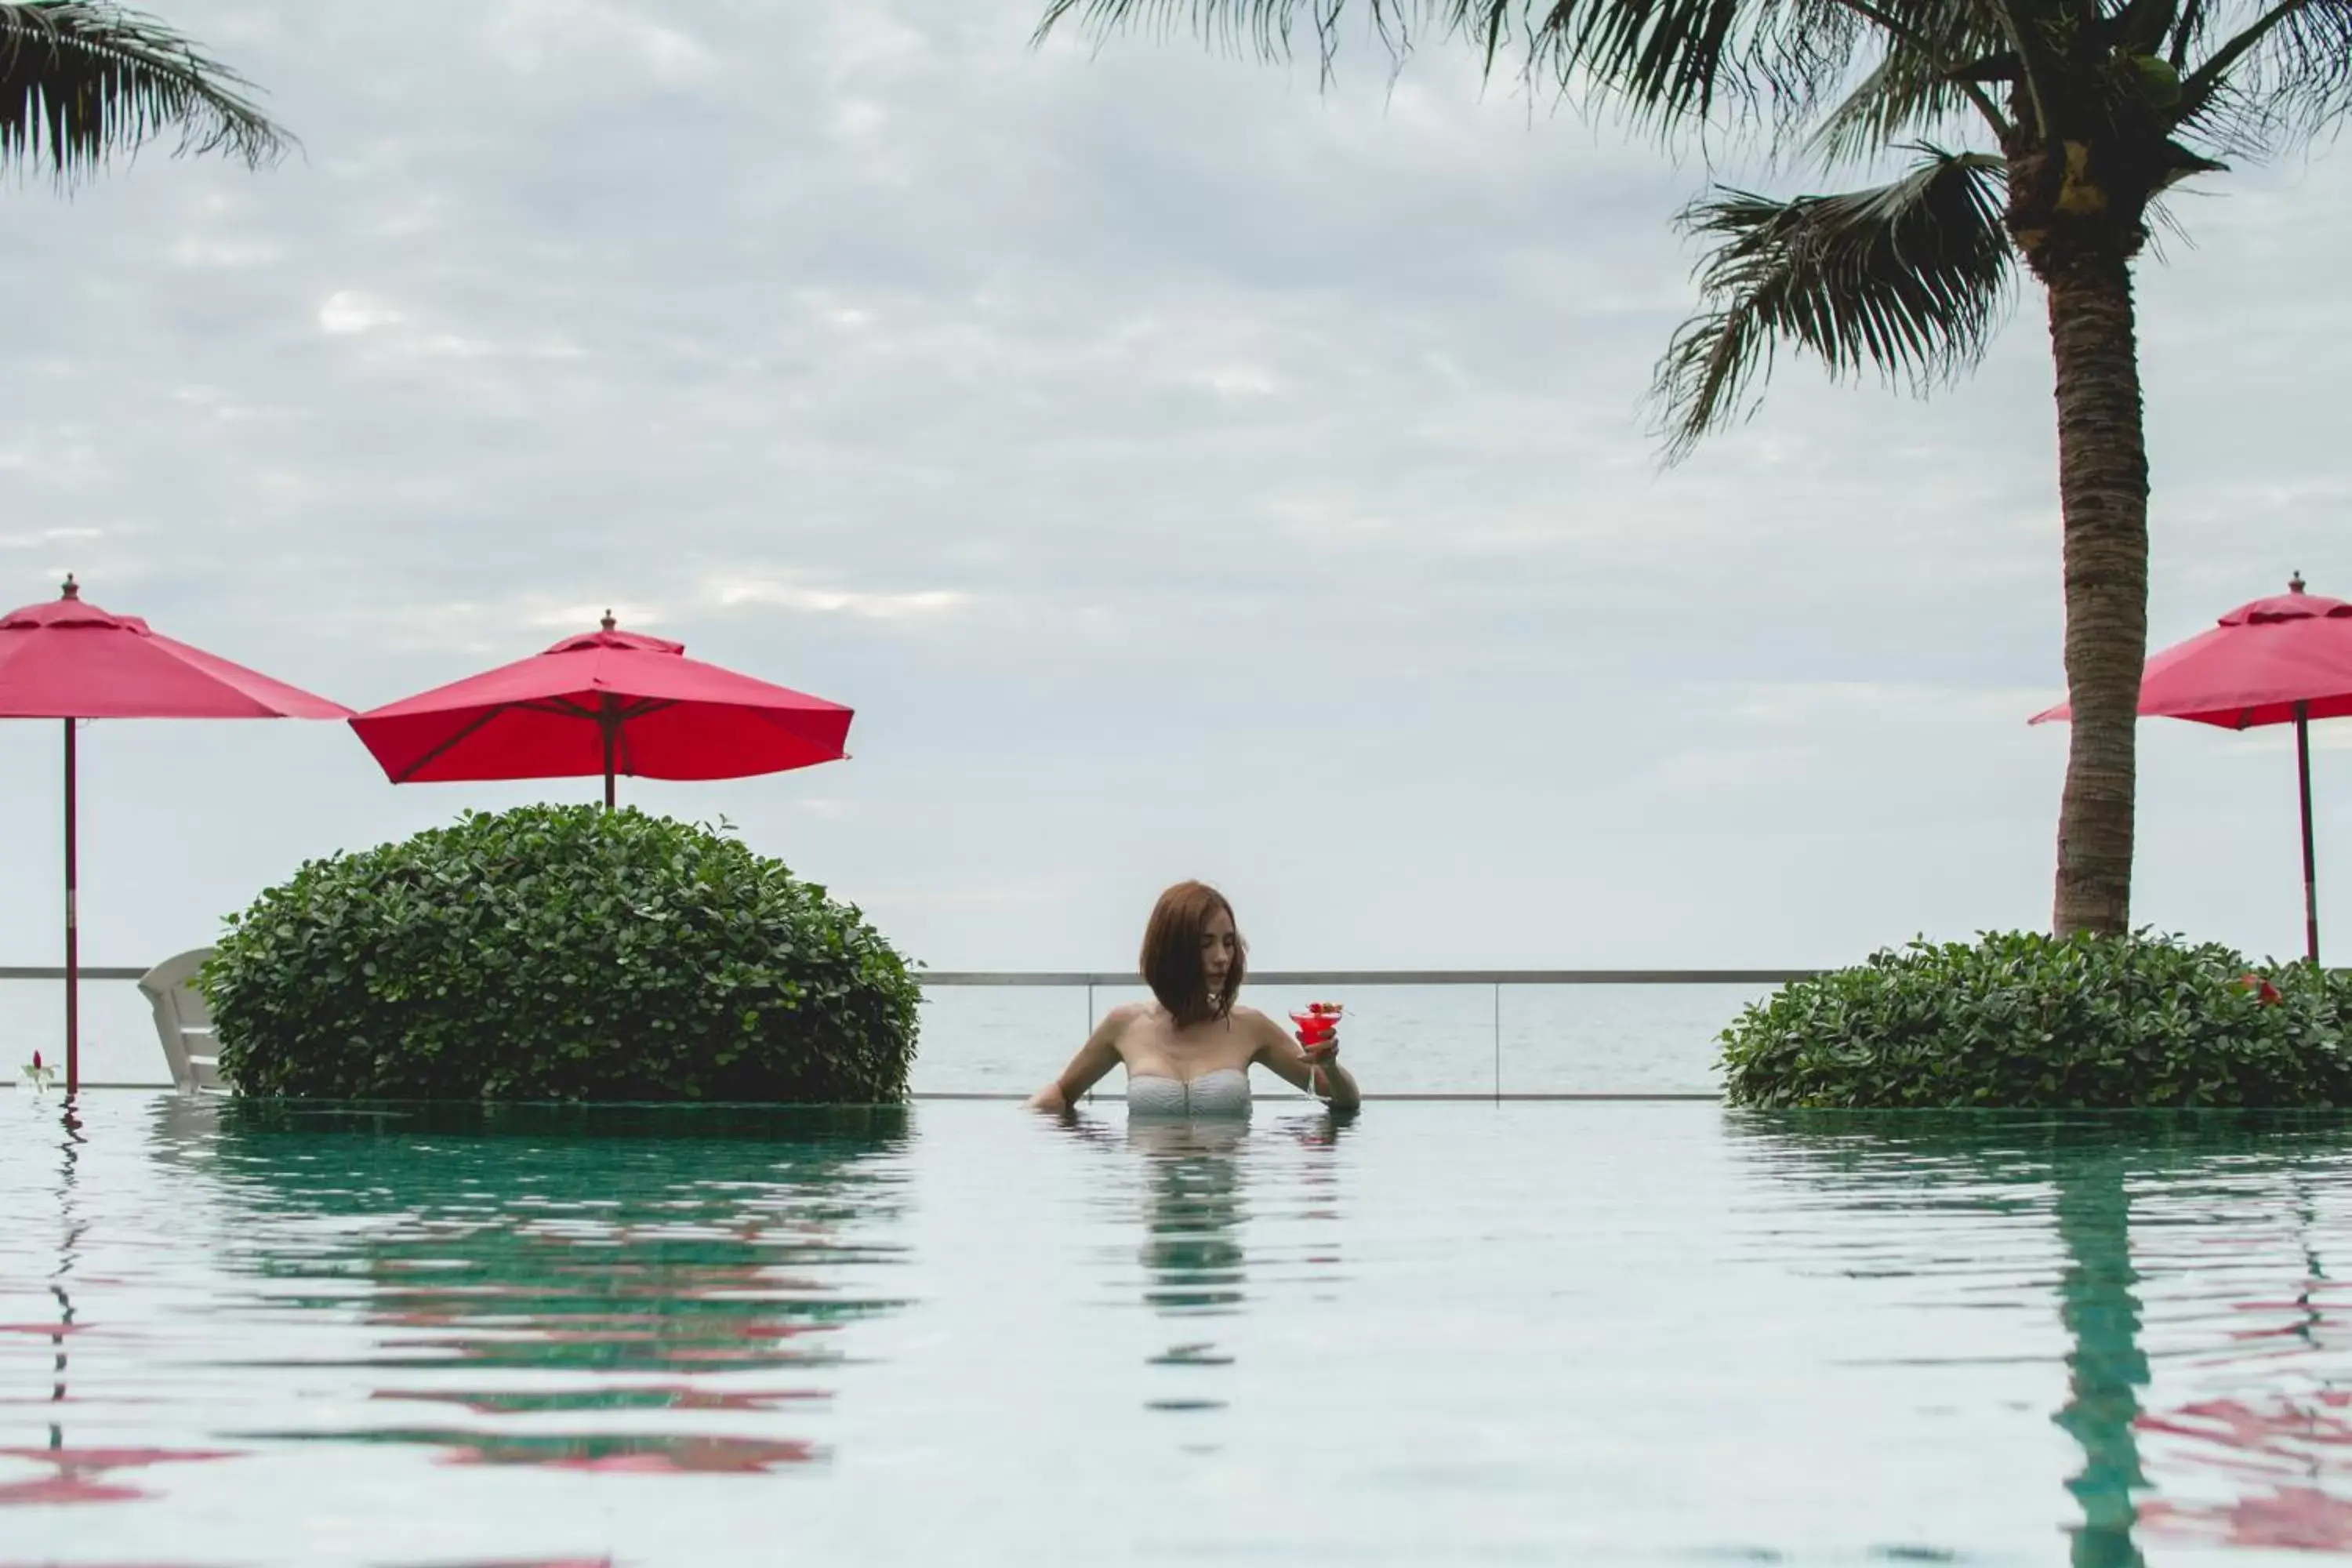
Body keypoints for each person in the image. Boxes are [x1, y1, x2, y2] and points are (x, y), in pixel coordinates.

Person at [1026, 880, 1362, 1116]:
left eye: (1228, 942)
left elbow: (1344, 1102)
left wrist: (1330, 1068)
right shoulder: (1124, 1025)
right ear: (1174, 950)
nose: (1221, 957)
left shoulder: (1249, 1026)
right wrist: (1017, 1124)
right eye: (1206, 944)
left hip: (1223, 1202)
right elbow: (1061, 1092)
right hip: (1159, 1203)